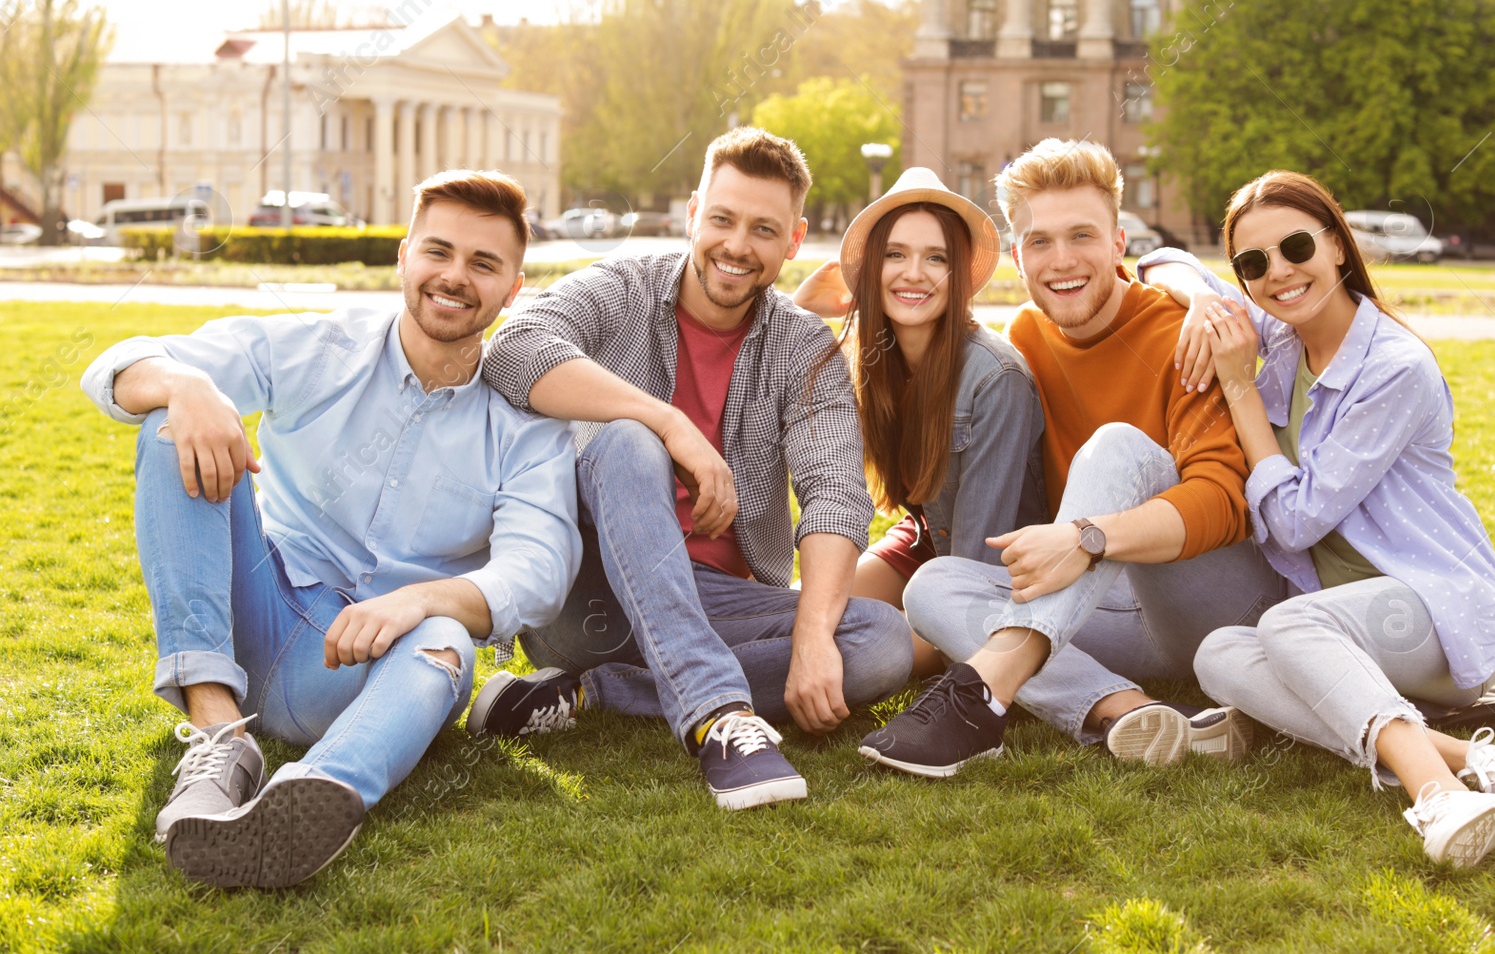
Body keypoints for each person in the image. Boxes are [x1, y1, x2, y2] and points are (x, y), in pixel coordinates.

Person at [79, 170, 581, 887]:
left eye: (483, 263)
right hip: (257, 607)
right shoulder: (319, 344)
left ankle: (310, 796)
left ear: (513, 289)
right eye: (438, 252)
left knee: (447, 644)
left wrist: (418, 601)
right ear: (404, 256)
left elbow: (540, 566)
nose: (454, 276)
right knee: (172, 423)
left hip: (362, 673)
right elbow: (118, 366)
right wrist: (187, 386)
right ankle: (218, 739)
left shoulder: (527, 427)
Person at [1135, 170, 1495, 868]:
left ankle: (1436, 793)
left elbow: (1297, 522)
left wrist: (1239, 385)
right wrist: (1200, 303)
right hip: (1337, 622)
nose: (1278, 272)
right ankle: (1491, 765)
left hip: (1430, 614)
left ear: (1339, 246)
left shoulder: (1394, 367)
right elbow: (1162, 259)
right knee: (1216, 654)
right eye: (1253, 264)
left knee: (1285, 625)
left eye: (1296, 247)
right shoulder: (1277, 336)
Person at [467, 127, 913, 810]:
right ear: (693, 215)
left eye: (763, 229)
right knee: (626, 440)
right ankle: (717, 713)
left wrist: (817, 635)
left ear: (792, 241)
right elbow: (514, 348)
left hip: (711, 595)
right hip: (587, 595)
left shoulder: (802, 346)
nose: (737, 245)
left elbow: (833, 493)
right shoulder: (623, 287)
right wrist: (668, 423)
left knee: (879, 641)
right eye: (724, 219)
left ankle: (597, 690)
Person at [860, 138, 1288, 778]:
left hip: (1220, 602)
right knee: (935, 584)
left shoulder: (1181, 331)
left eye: (1082, 236)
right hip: (1112, 612)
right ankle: (1129, 711)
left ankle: (983, 694)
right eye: (1040, 242)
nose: (1062, 260)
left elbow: (1226, 503)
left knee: (1117, 444)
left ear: (1119, 246)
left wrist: (1089, 538)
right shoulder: (1027, 338)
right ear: (1016, 257)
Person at [791, 167, 1045, 676]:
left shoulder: (995, 379)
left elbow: (976, 571)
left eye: (936, 258)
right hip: (925, 541)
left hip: (994, 579)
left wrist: (929, 625)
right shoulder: (872, 360)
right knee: (798, 617)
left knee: (856, 655)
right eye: (895, 255)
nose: (914, 273)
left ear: (958, 274)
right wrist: (797, 306)